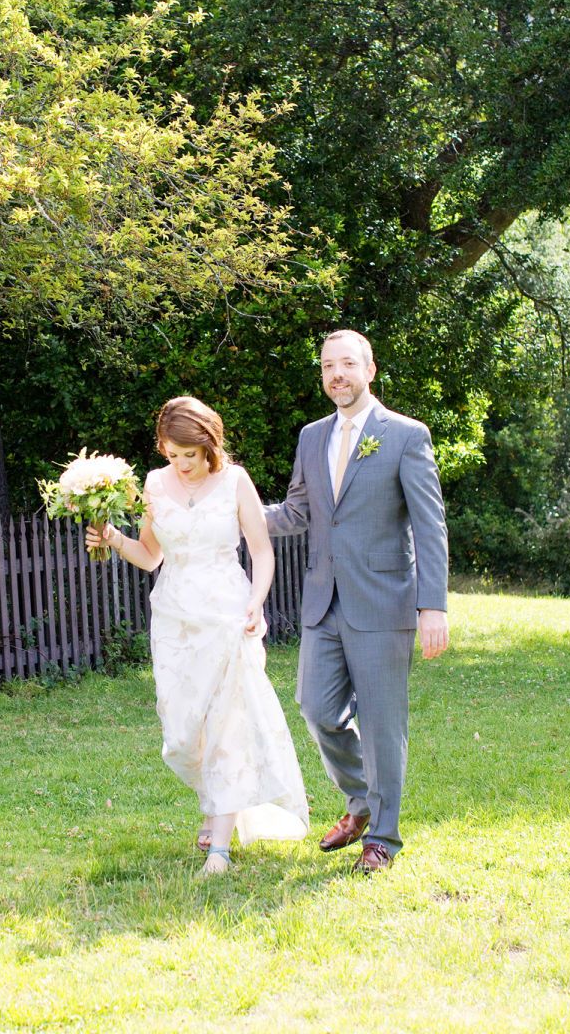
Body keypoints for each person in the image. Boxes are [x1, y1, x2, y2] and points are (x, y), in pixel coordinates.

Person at [86, 395, 309, 874]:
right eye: (173, 455)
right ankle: (215, 802)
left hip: (228, 613)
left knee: (227, 721)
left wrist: (257, 601)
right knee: (183, 732)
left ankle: (220, 847)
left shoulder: (234, 481)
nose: (182, 464)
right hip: (173, 618)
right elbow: (150, 555)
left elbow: (262, 551)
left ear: (209, 445)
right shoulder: (152, 484)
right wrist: (112, 538)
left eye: (190, 455)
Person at [264, 330, 449, 873]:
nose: (336, 374)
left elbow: (429, 524)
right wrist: (236, 512)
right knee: (317, 708)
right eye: (327, 366)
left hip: (385, 601)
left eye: (347, 364)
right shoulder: (310, 436)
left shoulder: (406, 436)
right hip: (324, 602)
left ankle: (383, 839)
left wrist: (431, 605)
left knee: (383, 722)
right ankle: (362, 801)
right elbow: (298, 512)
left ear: (369, 369)